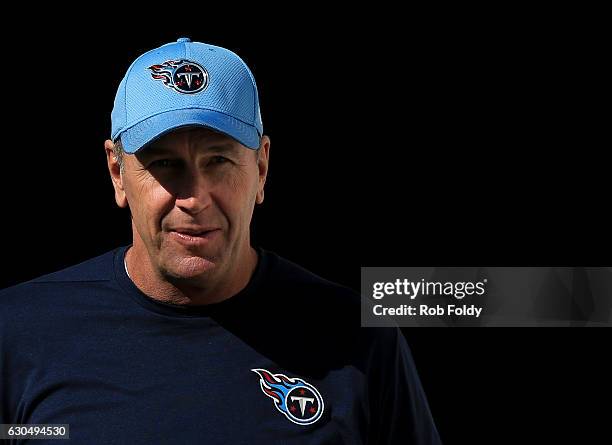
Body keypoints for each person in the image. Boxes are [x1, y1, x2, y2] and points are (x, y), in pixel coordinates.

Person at [0, 38, 441, 444]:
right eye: (166, 164)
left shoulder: (360, 337)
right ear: (117, 173)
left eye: (218, 161)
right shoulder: (18, 331)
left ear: (262, 168)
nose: (195, 197)